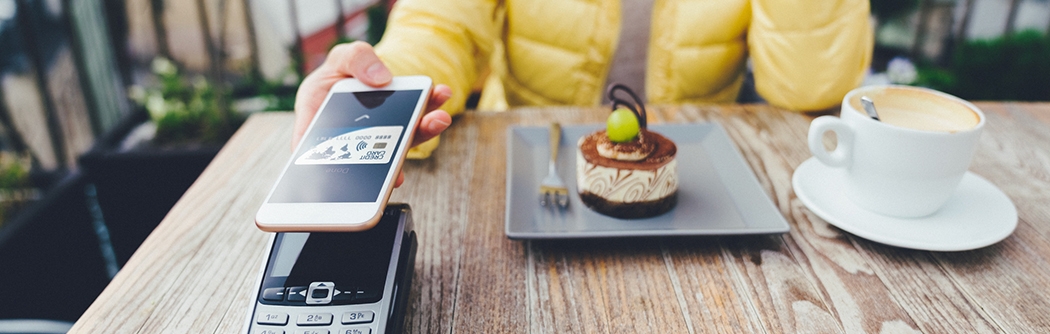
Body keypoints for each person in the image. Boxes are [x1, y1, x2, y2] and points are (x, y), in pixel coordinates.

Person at [294, 0, 873, 160]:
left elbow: (808, 87)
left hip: (695, 170)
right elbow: (439, 27)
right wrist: (382, 96)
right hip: (528, 162)